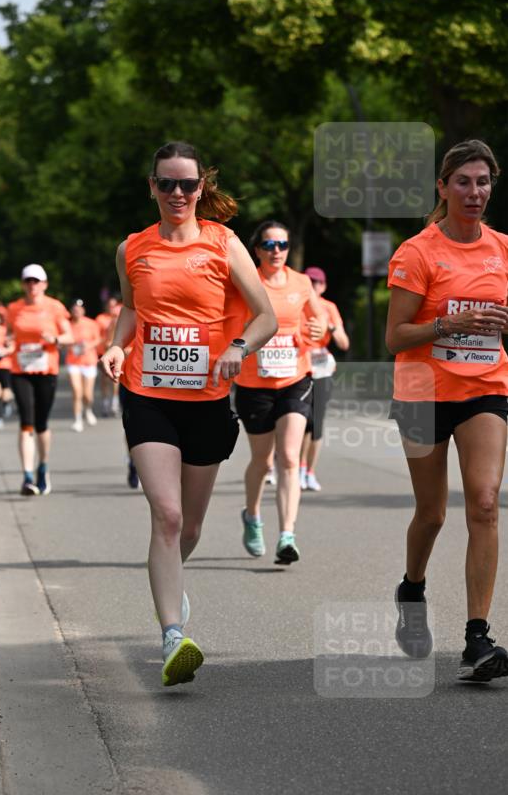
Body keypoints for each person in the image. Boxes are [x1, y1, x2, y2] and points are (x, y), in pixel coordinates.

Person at [101, 141, 277, 687]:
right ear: (151, 187)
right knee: (169, 515)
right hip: (148, 394)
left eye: (187, 184)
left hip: (206, 401)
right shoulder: (132, 247)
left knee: (192, 525)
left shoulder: (223, 244)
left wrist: (237, 348)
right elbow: (132, 309)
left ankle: (170, 577)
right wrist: (114, 344)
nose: (178, 193)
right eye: (167, 183)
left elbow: (265, 315)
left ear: (202, 188)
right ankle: (173, 636)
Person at [386, 138, 508, 682]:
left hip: (485, 386)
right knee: (432, 513)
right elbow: (395, 336)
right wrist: (448, 325)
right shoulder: (418, 252)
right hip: (421, 390)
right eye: (463, 181)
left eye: (483, 182)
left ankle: (477, 638)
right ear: (443, 187)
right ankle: (412, 588)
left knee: (484, 504)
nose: (474, 192)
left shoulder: (503, 249)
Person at [234, 221, 328, 564]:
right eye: (269, 245)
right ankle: (252, 515)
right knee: (263, 460)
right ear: (257, 249)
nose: (277, 251)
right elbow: (227, 321)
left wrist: (319, 327)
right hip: (253, 384)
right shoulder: (245, 281)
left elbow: (320, 320)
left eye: (283, 244)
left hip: (295, 378)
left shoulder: (302, 282)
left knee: (289, 457)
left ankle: (287, 534)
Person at [6, 264, 73, 496]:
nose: (32, 286)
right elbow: (9, 335)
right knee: (26, 421)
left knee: (41, 423)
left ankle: (42, 467)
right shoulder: (14, 308)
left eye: (36, 281)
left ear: (44, 284)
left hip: (46, 370)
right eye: (28, 281)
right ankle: (26, 477)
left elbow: (69, 336)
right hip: (20, 370)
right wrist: (6, 345)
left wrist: (54, 338)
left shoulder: (55, 307)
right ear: (23, 284)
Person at [299, 266, 350, 491]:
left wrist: (328, 325)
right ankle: (297, 467)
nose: (313, 285)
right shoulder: (296, 304)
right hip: (298, 367)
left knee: (317, 423)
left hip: (321, 368)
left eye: (317, 282)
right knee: (301, 420)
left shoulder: (330, 308)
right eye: (309, 281)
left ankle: (310, 471)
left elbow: (344, 343)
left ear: (324, 286)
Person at [65, 299, 102, 432]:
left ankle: (88, 409)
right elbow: (63, 340)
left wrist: (88, 346)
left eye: (79, 309)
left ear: (83, 310)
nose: (77, 312)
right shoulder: (67, 325)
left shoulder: (91, 323)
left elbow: (98, 339)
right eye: (74, 309)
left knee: (87, 394)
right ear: (71, 311)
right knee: (76, 391)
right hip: (73, 361)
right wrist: (70, 346)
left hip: (89, 361)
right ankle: (77, 419)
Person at [96, 295, 122, 416]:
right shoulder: (101, 318)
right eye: (109, 306)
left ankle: (114, 403)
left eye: (113, 305)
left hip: (115, 351)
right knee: (104, 379)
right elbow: (96, 336)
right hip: (103, 351)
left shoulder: (120, 317)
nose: (111, 308)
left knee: (115, 378)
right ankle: (105, 402)